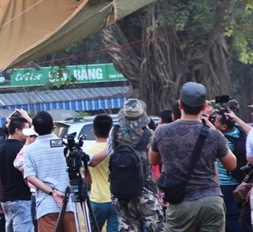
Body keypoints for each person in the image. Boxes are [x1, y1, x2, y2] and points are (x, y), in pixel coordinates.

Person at [150, 82, 236, 232]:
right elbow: (232, 164)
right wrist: (216, 133)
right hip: (210, 201)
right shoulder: (213, 134)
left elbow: (153, 160)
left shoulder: (162, 131)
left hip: (180, 203)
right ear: (203, 107)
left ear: (180, 104)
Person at [107, 99, 163, 232]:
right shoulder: (150, 136)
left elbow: (110, 154)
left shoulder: (114, 133)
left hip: (122, 192)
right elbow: (157, 160)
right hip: (147, 191)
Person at [22, 111, 75, 232]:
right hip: (68, 204)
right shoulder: (65, 145)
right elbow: (90, 160)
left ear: (34, 129)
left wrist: (52, 192)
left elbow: (30, 177)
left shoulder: (29, 150)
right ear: (53, 124)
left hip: (46, 207)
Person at [212, 109, 250, 232]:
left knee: (230, 216)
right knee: (242, 215)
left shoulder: (224, 140)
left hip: (226, 183)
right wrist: (235, 118)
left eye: (216, 122)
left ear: (224, 127)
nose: (213, 123)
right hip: (241, 181)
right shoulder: (238, 131)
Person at [0, 115, 32, 232]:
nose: (28, 134)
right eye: (26, 130)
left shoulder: (0, 150)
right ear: (17, 130)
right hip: (21, 199)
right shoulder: (23, 150)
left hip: (6, 201)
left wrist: (0, 199)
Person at [85, 114, 117, 232]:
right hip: (116, 198)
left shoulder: (87, 152)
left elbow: (87, 178)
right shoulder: (117, 149)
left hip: (97, 199)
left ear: (93, 132)